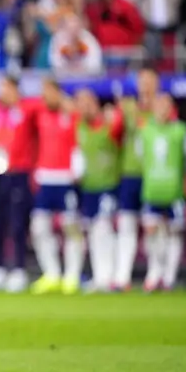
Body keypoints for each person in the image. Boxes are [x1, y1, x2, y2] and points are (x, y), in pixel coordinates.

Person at [0, 76, 34, 293]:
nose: (3, 93)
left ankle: (19, 269)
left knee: (18, 223)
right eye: (1, 89)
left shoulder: (27, 110)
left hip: (18, 171)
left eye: (7, 88)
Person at [29, 79, 83, 295]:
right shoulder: (40, 114)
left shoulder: (73, 115)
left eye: (49, 92)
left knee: (71, 227)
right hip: (45, 177)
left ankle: (72, 275)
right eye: (43, 92)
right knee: (39, 227)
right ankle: (51, 273)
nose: (45, 97)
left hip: (66, 177)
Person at [113, 68, 159, 290]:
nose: (146, 86)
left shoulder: (163, 110)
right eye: (143, 82)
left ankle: (154, 275)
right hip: (130, 173)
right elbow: (115, 135)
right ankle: (122, 276)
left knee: (153, 226)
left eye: (150, 81)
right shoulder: (128, 108)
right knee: (126, 224)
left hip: (155, 176)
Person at [74, 88, 123, 292]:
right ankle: (100, 276)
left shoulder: (108, 125)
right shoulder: (81, 128)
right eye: (80, 103)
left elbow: (121, 123)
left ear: (95, 104)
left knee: (104, 229)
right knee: (93, 232)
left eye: (87, 103)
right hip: (89, 186)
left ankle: (110, 276)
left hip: (108, 185)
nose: (83, 107)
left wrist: (117, 108)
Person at [138, 93, 185, 292]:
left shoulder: (180, 131)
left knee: (174, 233)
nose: (162, 110)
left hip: (174, 192)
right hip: (152, 190)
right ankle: (154, 272)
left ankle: (169, 276)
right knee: (151, 234)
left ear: (171, 108)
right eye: (159, 105)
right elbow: (142, 158)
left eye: (166, 106)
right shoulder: (146, 131)